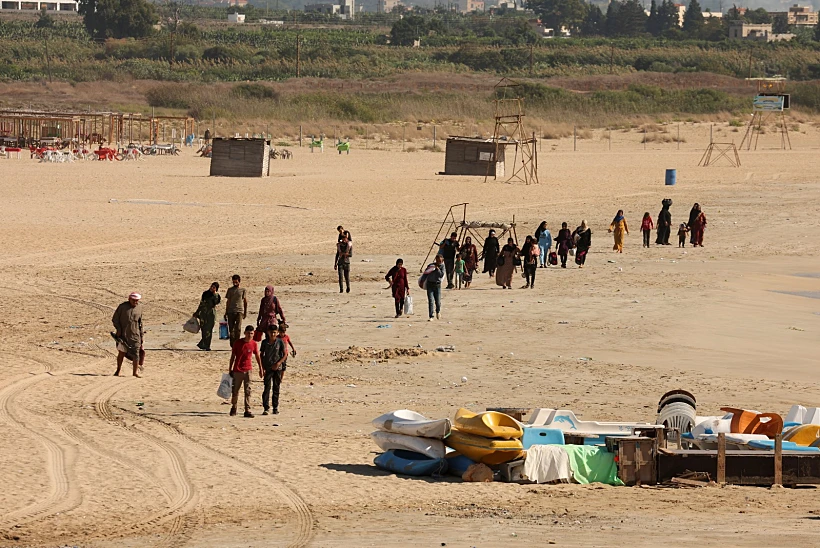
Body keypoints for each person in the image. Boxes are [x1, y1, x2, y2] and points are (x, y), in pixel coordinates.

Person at [228, 325, 262, 418]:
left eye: (251, 333)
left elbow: (257, 356)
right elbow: (233, 356)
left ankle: (247, 410)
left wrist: (261, 368)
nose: (250, 335)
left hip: (248, 370)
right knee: (235, 390)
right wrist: (230, 368)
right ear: (244, 333)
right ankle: (234, 407)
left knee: (248, 391)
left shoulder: (254, 344)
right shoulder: (238, 343)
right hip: (237, 370)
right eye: (248, 333)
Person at [112, 292, 144, 377]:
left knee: (136, 354)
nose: (135, 302)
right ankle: (118, 370)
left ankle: (135, 373)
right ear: (129, 299)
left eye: (137, 300)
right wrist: (118, 329)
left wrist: (141, 335)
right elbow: (115, 319)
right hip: (123, 335)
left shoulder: (139, 308)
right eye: (134, 300)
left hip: (135, 335)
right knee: (121, 352)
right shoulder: (122, 307)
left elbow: (140, 323)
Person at [260, 324, 287, 415]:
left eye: (275, 333)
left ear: (277, 332)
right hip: (268, 368)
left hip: (277, 368)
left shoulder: (280, 342)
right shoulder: (264, 343)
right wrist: (262, 368)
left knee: (276, 388)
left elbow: (285, 355)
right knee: (267, 388)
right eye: (271, 333)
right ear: (268, 332)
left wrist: (279, 363)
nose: (273, 334)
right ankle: (266, 407)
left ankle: (275, 407)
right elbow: (261, 355)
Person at [194, 282, 220, 351]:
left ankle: (207, 345)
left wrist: (214, 294)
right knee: (204, 329)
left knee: (209, 330)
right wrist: (197, 312)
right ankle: (203, 344)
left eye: (214, 287)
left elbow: (216, 302)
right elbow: (201, 303)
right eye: (211, 286)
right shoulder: (205, 293)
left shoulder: (216, 295)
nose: (212, 288)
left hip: (211, 314)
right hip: (203, 314)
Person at [224, 274, 247, 346]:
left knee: (238, 328)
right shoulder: (230, 290)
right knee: (231, 329)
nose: (235, 284)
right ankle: (232, 344)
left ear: (239, 282)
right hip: (231, 311)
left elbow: (245, 301)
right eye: (233, 282)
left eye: (236, 282)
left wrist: (245, 312)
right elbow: (228, 301)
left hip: (239, 311)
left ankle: (237, 343)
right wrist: (226, 312)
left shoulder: (243, 290)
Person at [424, 254, 446, 321]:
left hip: (437, 285)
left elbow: (441, 275)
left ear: (442, 260)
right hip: (430, 285)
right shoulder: (431, 265)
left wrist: (438, 269)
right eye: (437, 260)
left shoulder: (442, 266)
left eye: (440, 261)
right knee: (431, 301)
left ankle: (438, 311)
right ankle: (431, 316)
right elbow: (426, 272)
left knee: (438, 301)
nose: (438, 262)